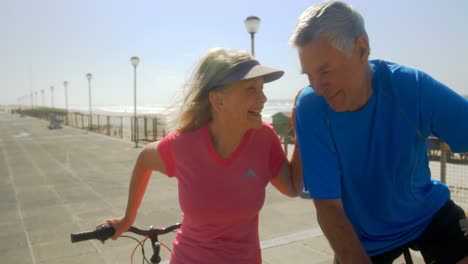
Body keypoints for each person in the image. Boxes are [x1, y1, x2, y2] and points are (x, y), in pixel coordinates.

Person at [290, 1, 468, 263]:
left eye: (325, 71)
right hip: (362, 235)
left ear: (361, 49)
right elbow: (328, 207)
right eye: (309, 75)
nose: (317, 87)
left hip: (426, 214)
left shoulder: (411, 87)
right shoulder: (311, 108)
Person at [100, 48, 303, 264]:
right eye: (251, 89)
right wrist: (128, 218)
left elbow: (291, 187)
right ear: (218, 100)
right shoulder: (183, 145)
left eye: (262, 88)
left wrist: (302, 130)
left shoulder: (265, 139)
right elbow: (144, 159)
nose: (263, 97)